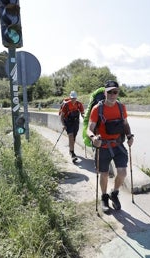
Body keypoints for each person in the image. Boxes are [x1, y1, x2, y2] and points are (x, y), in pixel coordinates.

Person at [87, 80, 134, 213]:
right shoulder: (97, 109)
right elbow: (89, 129)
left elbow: (125, 124)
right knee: (104, 174)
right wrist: (93, 138)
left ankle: (114, 193)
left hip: (118, 145)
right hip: (103, 146)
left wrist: (129, 136)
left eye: (115, 92)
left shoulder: (121, 107)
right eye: (110, 92)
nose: (113, 94)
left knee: (123, 172)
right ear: (105, 93)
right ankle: (104, 197)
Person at [60, 91, 85, 160]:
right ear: (70, 98)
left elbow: (82, 113)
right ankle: (72, 153)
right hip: (68, 122)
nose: (73, 99)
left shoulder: (79, 104)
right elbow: (62, 116)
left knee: (73, 137)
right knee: (70, 136)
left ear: (76, 98)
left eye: (74, 98)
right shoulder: (66, 105)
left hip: (76, 122)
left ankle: (70, 150)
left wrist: (84, 117)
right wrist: (63, 125)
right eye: (72, 98)